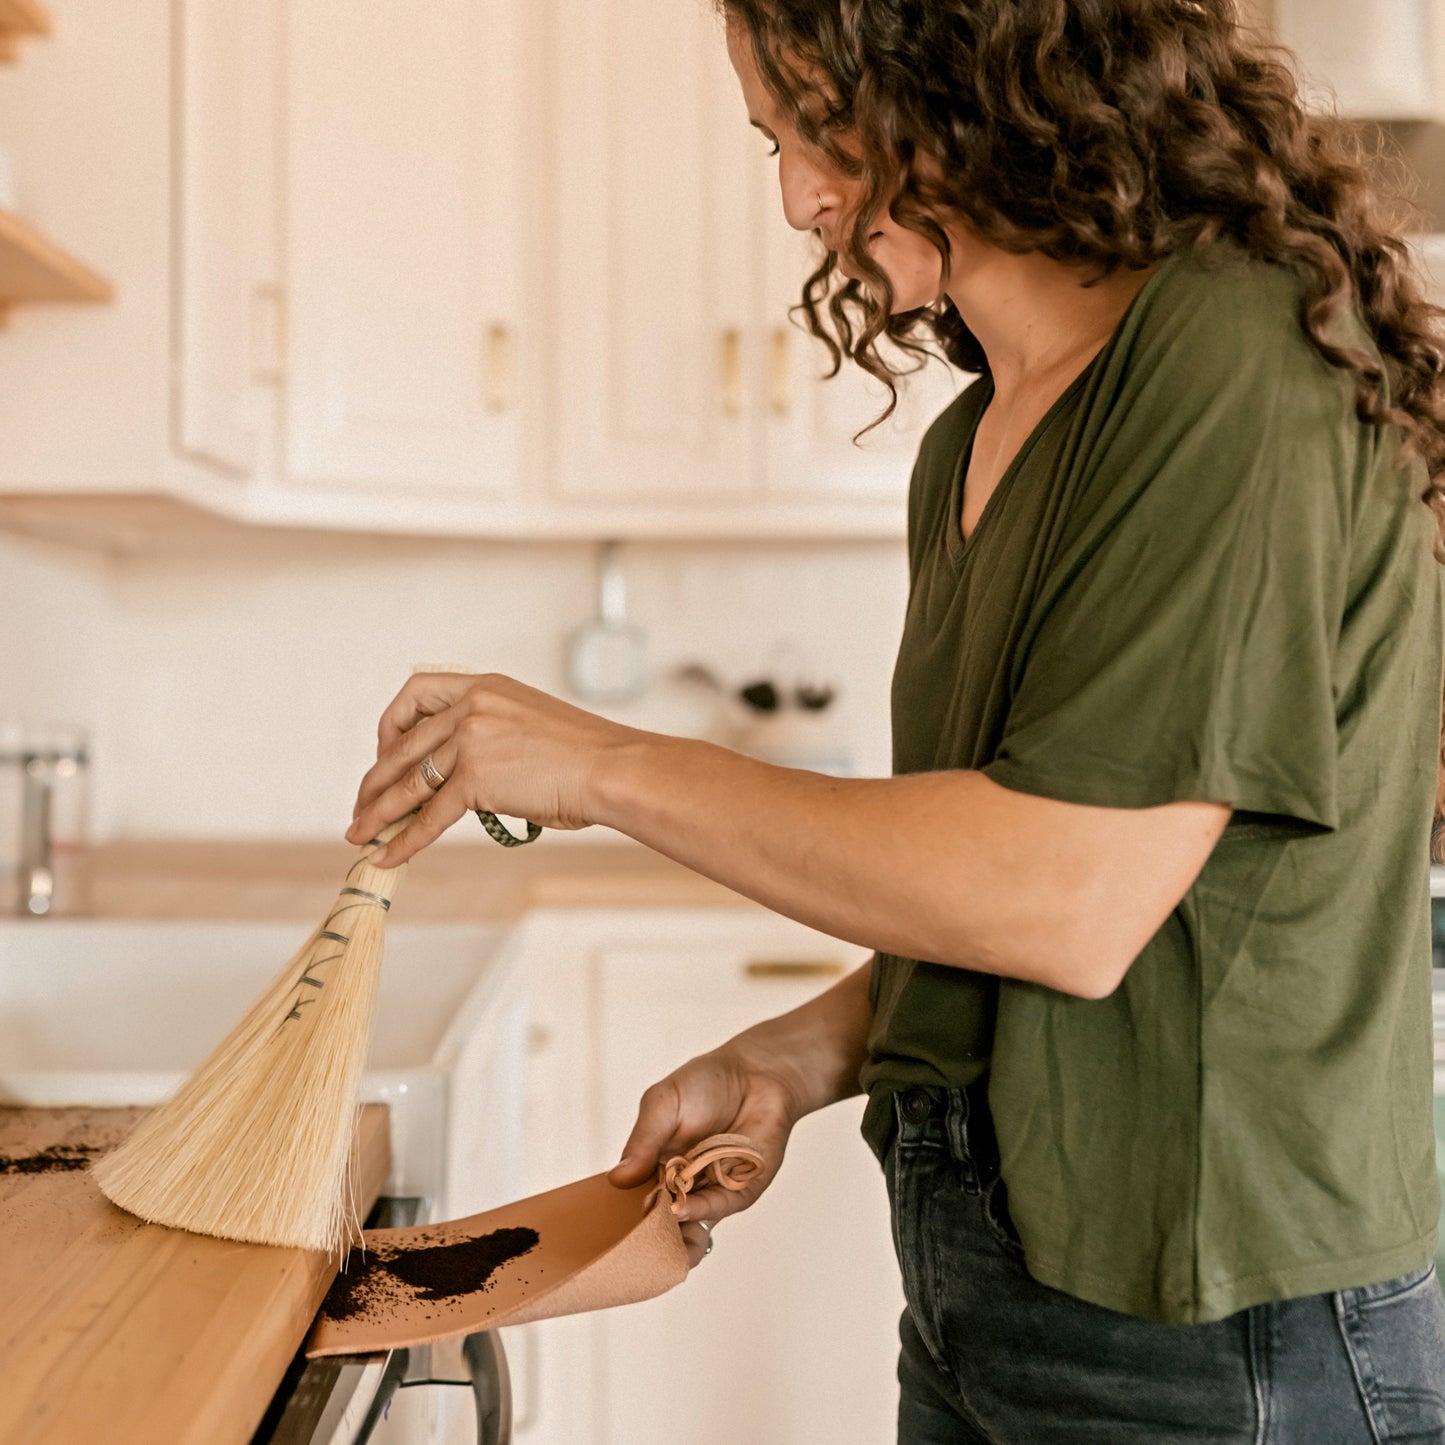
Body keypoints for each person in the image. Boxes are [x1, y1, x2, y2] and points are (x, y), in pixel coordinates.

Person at [348, 1, 1445, 1438]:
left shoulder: (1228, 357)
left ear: (983, 77)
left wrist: (602, 760)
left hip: (1216, 1333)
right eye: (774, 140)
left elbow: (1067, 894)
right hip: (982, 1291)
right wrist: (792, 1058)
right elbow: (989, 898)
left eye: (824, 128)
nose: (800, 194)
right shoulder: (970, 445)